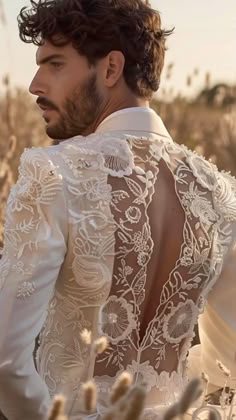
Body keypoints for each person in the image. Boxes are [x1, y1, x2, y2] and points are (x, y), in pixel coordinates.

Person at [0, 0, 235, 419]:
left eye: (54, 64)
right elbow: (229, 362)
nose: (34, 84)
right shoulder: (219, 193)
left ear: (110, 68)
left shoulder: (54, 174)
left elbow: (5, 360)